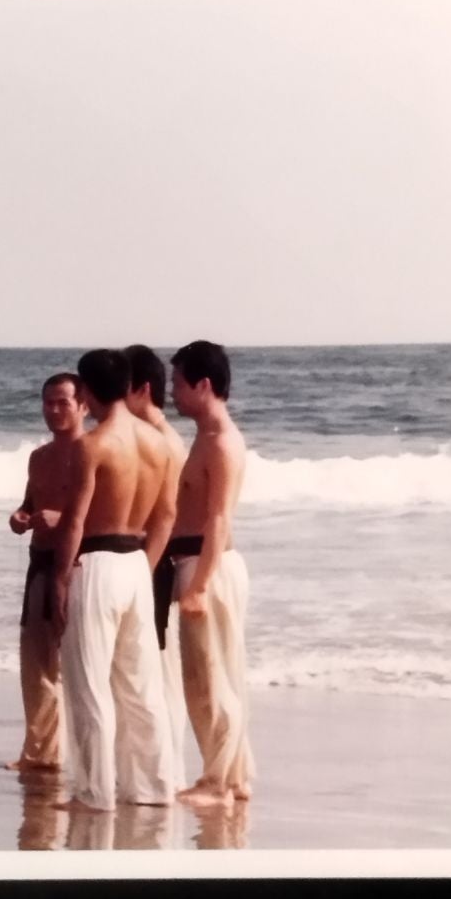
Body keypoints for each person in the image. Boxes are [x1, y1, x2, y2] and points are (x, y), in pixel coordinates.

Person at [50, 349, 177, 811]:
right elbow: (166, 516)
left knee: (89, 685)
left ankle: (94, 791)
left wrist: (60, 581)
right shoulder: (159, 442)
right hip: (137, 564)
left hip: (98, 563)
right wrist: (144, 566)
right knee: (140, 686)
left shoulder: (93, 445)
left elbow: (74, 523)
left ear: (83, 391)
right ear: (127, 386)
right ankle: (152, 788)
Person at [168, 340, 255, 805]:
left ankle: (220, 781)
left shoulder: (221, 441)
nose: (172, 394)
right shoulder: (204, 436)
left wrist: (199, 585)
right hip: (197, 563)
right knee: (203, 678)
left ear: (204, 384)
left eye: (178, 384)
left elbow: (219, 517)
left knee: (214, 676)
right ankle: (231, 777)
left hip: (210, 567)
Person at [7, 372, 84, 770]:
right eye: (48, 402)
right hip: (40, 564)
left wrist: (64, 518)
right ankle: (40, 753)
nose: (54, 410)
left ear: (83, 404)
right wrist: (21, 517)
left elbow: (110, 514)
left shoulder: (94, 452)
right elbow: (29, 502)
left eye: (63, 403)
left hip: (80, 564)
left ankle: (86, 756)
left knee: (81, 664)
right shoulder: (39, 457)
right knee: (36, 663)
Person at [124, 343, 190, 779]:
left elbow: (167, 517)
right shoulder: (151, 437)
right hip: (154, 562)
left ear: (141, 389)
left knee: (158, 671)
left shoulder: (162, 442)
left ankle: (164, 768)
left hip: (158, 564)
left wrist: (140, 572)